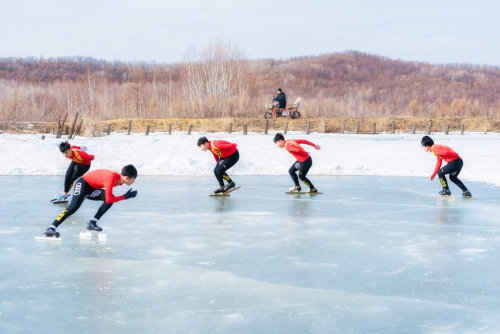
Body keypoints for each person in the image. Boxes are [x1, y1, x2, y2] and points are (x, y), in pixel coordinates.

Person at [44, 165, 138, 237]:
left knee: (110, 198)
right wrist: (125, 197)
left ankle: (92, 223)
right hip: (82, 184)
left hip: (92, 188)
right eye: (134, 179)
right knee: (72, 208)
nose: (134, 181)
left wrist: (125, 196)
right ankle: (51, 228)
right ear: (127, 177)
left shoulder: (119, 179)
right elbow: (109, 199)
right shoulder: (112, 178)